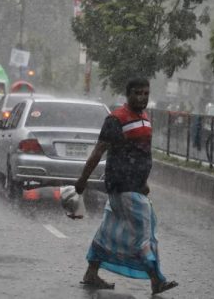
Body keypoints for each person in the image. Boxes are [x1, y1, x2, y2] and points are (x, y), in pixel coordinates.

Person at [75, 77, 179, 295]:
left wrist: (144, 182)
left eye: (145, 94)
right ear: (128, 94)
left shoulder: (145, 118)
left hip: (134, 186)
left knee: (109, 231)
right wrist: (82, 181)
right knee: (145, 232)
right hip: (122, 185)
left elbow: (141, 153)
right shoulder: (116, 119)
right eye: (137, 93)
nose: (142, 98)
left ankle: (91, 272)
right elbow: (98, 152)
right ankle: (155, 280)